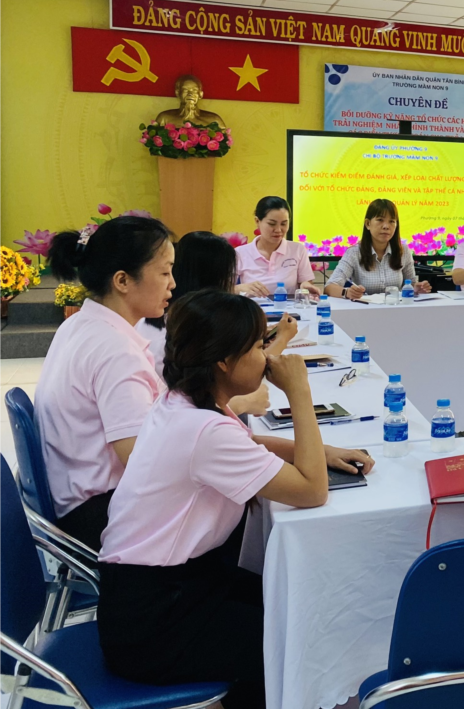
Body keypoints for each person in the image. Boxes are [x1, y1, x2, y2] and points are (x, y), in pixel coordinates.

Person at [96, 290, 374, 709]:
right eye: (258, 347)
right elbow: (312, 491)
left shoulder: (183, 402)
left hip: (163, 590)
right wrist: (299, 392)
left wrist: (322, 451)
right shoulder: (203, 429)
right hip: (155, 622)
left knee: (298, 606)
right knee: (301, 640)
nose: (266, 358)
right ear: (224, 362)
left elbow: (246, 443)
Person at [35, 216, 175, 549]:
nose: (172, 284)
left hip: (71, 499)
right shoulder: (115, 351)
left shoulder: (80, 324)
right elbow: (143, 461)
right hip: (99, 513)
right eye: (165, 272)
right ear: (122, 280)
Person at [137, 231, 296, 381]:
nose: (230, 283)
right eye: (229, 275)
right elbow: (247, 375)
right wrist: (282, 338)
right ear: (213, 279)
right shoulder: (199, 323)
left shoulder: (162, 312)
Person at [324, 199, 430, 301]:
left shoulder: (404, 251)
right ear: (368, 224)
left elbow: (411, 283)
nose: (386, 226)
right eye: (380, 220)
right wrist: (346, 292)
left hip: (395, 308)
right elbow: (329, 287)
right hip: (365, 310)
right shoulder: (354, 253)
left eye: (391, 221)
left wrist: (417, 288)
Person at [234, 197, 318, 299]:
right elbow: (222, 290)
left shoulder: (298, 250)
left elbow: (306, 283)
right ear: (257, 221)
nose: (278, 230)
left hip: (288, 308)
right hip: (253, 307)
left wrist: (305, 287)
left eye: (284, 224)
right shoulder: (239, 253)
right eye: (272, 224)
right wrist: (239, 288)